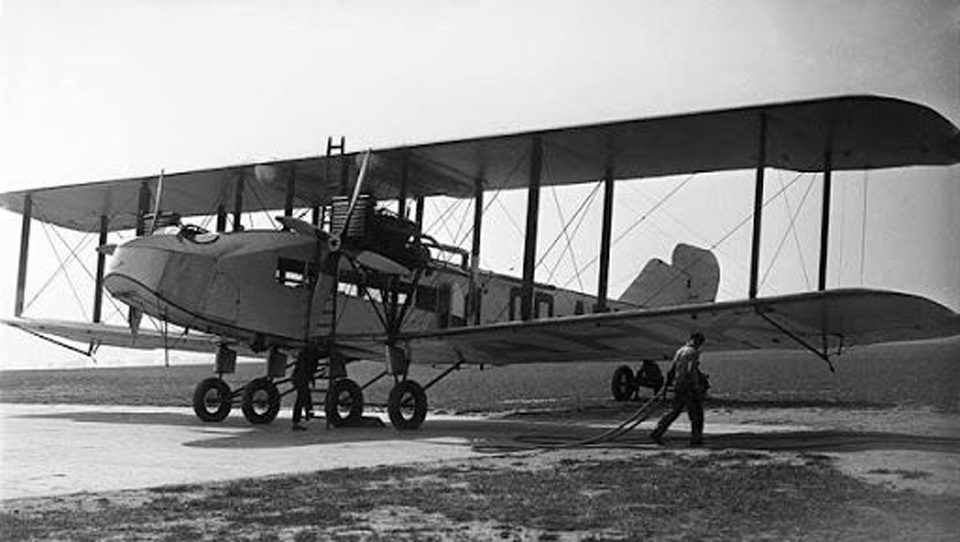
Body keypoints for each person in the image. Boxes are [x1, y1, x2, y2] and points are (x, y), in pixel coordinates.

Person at [650, 332, 707, 447]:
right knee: (696, 413)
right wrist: (696, 387)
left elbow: (672, 369)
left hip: (678, 385)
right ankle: (696, 438)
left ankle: (657, 431)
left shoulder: (680, 351)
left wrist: (668, 383)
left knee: (674, 411)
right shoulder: (693, 352)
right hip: (688, 387)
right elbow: (691, 371)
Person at [291, 346, 319, 431]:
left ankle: (307, 413)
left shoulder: (305, 354)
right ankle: (299, 420)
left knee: (303, 397)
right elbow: (309, 369)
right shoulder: (311, 356)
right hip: (302, 378)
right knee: (301, 399)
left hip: (299, 378)